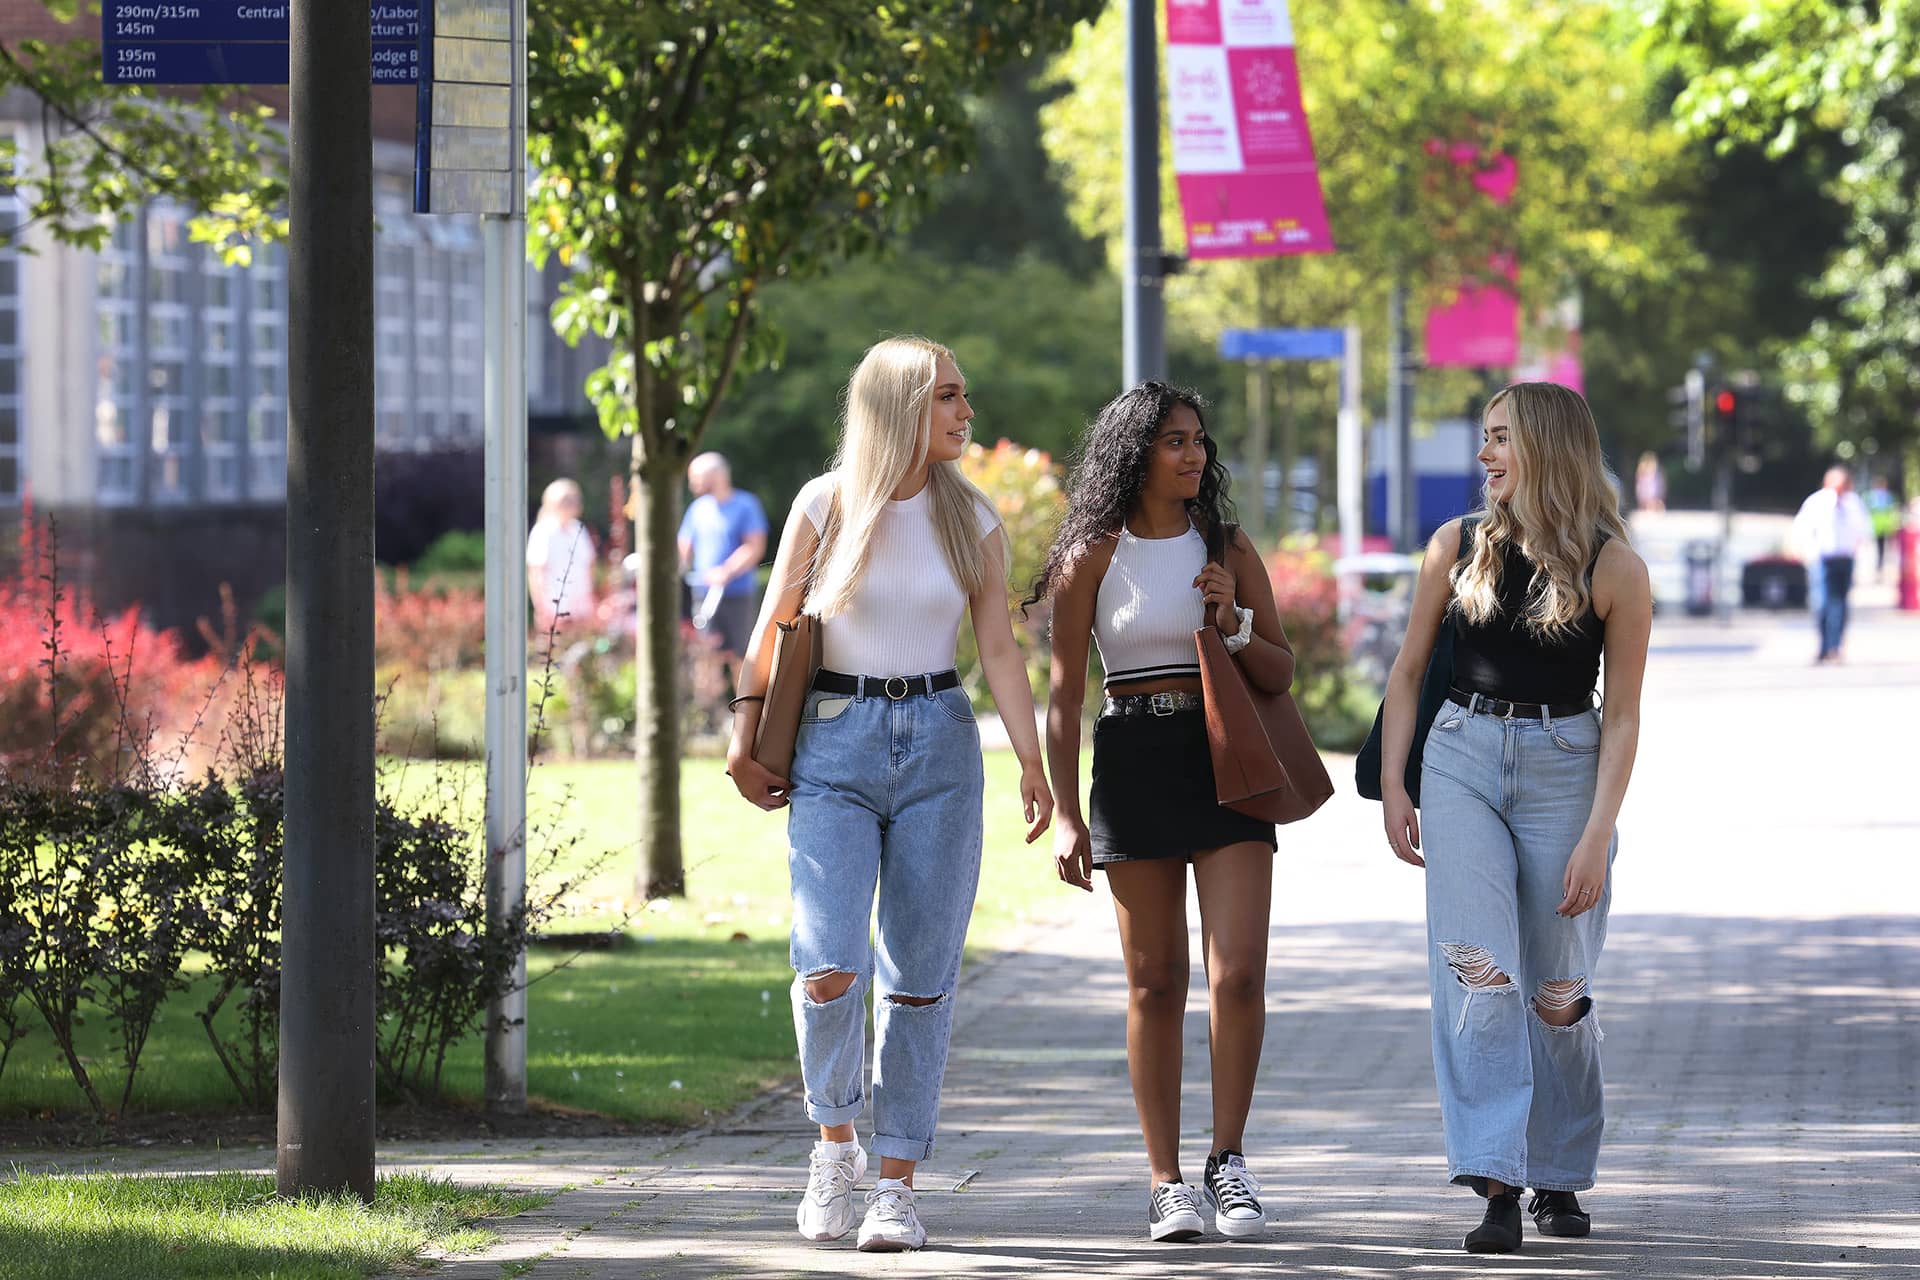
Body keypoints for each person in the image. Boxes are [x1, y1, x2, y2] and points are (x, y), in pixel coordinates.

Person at [725, 336, 1053, 1253]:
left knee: (919, 980)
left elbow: (997, 649)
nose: (966, 412)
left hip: (942, 744)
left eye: (965, 395)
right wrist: (743, 731)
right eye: (949, 395)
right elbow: (774, 626)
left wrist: (1035, 765)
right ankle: (836, 1144)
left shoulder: (972, 517)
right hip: (834, 744)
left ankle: (898, 1185)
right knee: (828, 959)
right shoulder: (823, 507)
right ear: (902, 405)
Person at [1379, 382, 1652, 1255]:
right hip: (1460, 757)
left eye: (1501, 438)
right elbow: (1410, 669)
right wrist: (1395, 784)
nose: (1486, 454)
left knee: (1556, 990)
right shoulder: (1456, 546)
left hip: (1566, 769)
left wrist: (1597, 837)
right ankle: (1495, 1181)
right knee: (1481, 971)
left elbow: (1624, 716)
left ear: (1547, 445)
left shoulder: (1615, 566)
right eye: (1484, 438)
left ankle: (1560, 1174)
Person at [1025, 382, 1295, 1243]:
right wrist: (1066, 813)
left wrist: (1236, 619)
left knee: (1239, 971)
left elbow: (1282, 672)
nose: (1194, 455)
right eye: (1175, 441)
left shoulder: (1225, 545)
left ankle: (1230, 1161)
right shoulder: (1090, 558)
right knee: (1153, 981)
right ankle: (1166, 1180)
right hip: (1133, 762)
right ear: (1134, 453)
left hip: (1225, 761)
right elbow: (1065, 699)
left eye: (1199, 441)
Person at [678, 452, 769, 661]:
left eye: (696, 478)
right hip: (703, 595)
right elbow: (683, 547)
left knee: (742, 658)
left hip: (737, 595)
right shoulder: (697, 509)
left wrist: (726, 571)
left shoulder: (746, 505)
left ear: (716, 476)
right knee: (706, 656)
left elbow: (755, 547)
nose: (692, 485)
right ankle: (709, 695)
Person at [1792, 466, 1873, 664]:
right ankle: (1822, 646)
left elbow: (1864, 529)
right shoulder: (1817, 502)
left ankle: (1835, 648)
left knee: (1840, 605)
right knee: (1821, 603)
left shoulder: (1854, 503)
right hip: (1822, 559)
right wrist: (1806, 552)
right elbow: (1802, 528)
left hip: (1844, 559)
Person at [525, 478, 597, 635]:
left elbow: (589, 564)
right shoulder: (543, 532)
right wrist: (541, 607)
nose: (571, 504)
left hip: (581, 608)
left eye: (574, 499)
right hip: (554, 608)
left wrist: (590, 599)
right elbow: (536, 572)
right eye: (566, 500)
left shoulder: (578, 529)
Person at [1865, 475, 1899, 580]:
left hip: (1883, 527)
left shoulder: (1883, 496)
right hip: (1877, 527)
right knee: (1879, 549)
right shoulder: (1874, 497)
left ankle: (1880, 567)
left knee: (1882, 549)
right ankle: (1879, 567)